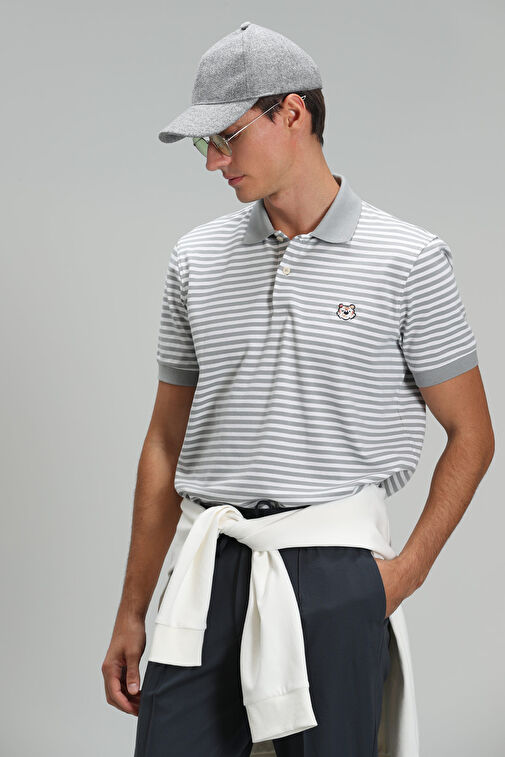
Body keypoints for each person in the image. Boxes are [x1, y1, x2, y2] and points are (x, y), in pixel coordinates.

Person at [101, 21, 495, 757]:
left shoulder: (408, 260)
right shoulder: (195, 260)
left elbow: (472, 435)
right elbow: (163, 441)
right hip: (205, 567)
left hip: (333, 572)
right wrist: (132, 609)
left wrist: (399, 577)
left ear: (292, 112)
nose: (213, 162)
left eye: (227, 137)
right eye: (204, 143)